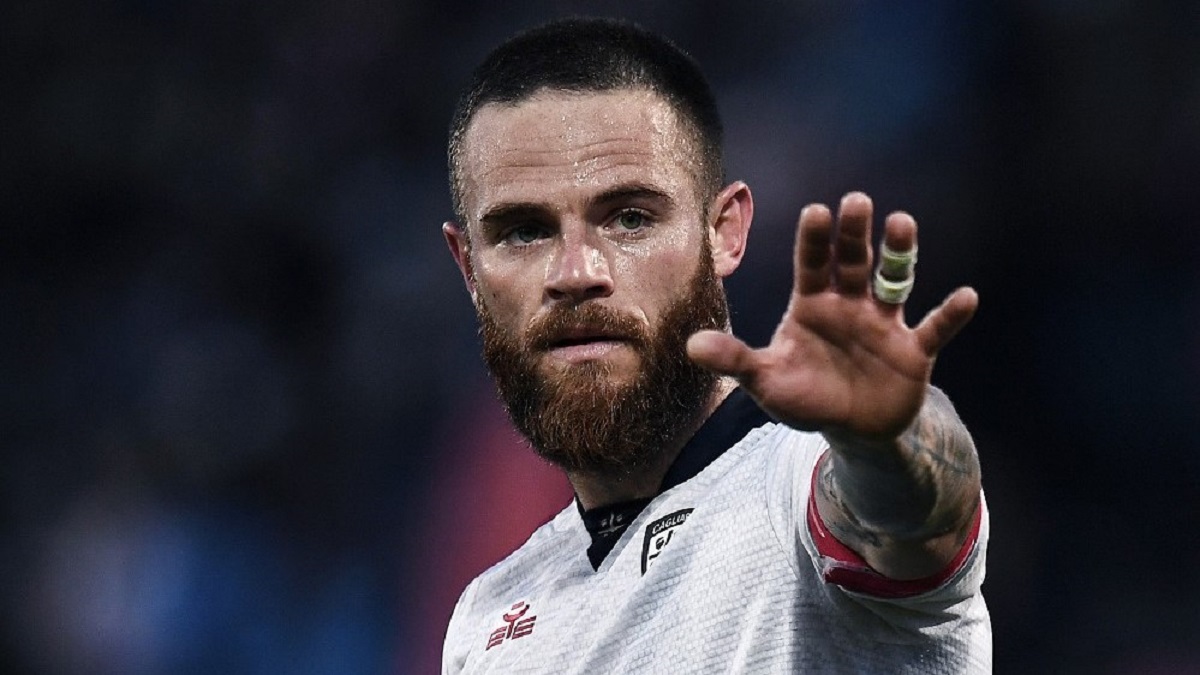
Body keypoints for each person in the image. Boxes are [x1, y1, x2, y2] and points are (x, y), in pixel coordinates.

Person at [440, 17, 989, 673]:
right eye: (524, 231)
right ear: (469, 268)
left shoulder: (798, 488)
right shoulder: (487, 619)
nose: (576, 272)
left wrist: (884, 443)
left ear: (724, 232)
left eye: (631, 218)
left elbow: (916, 518)